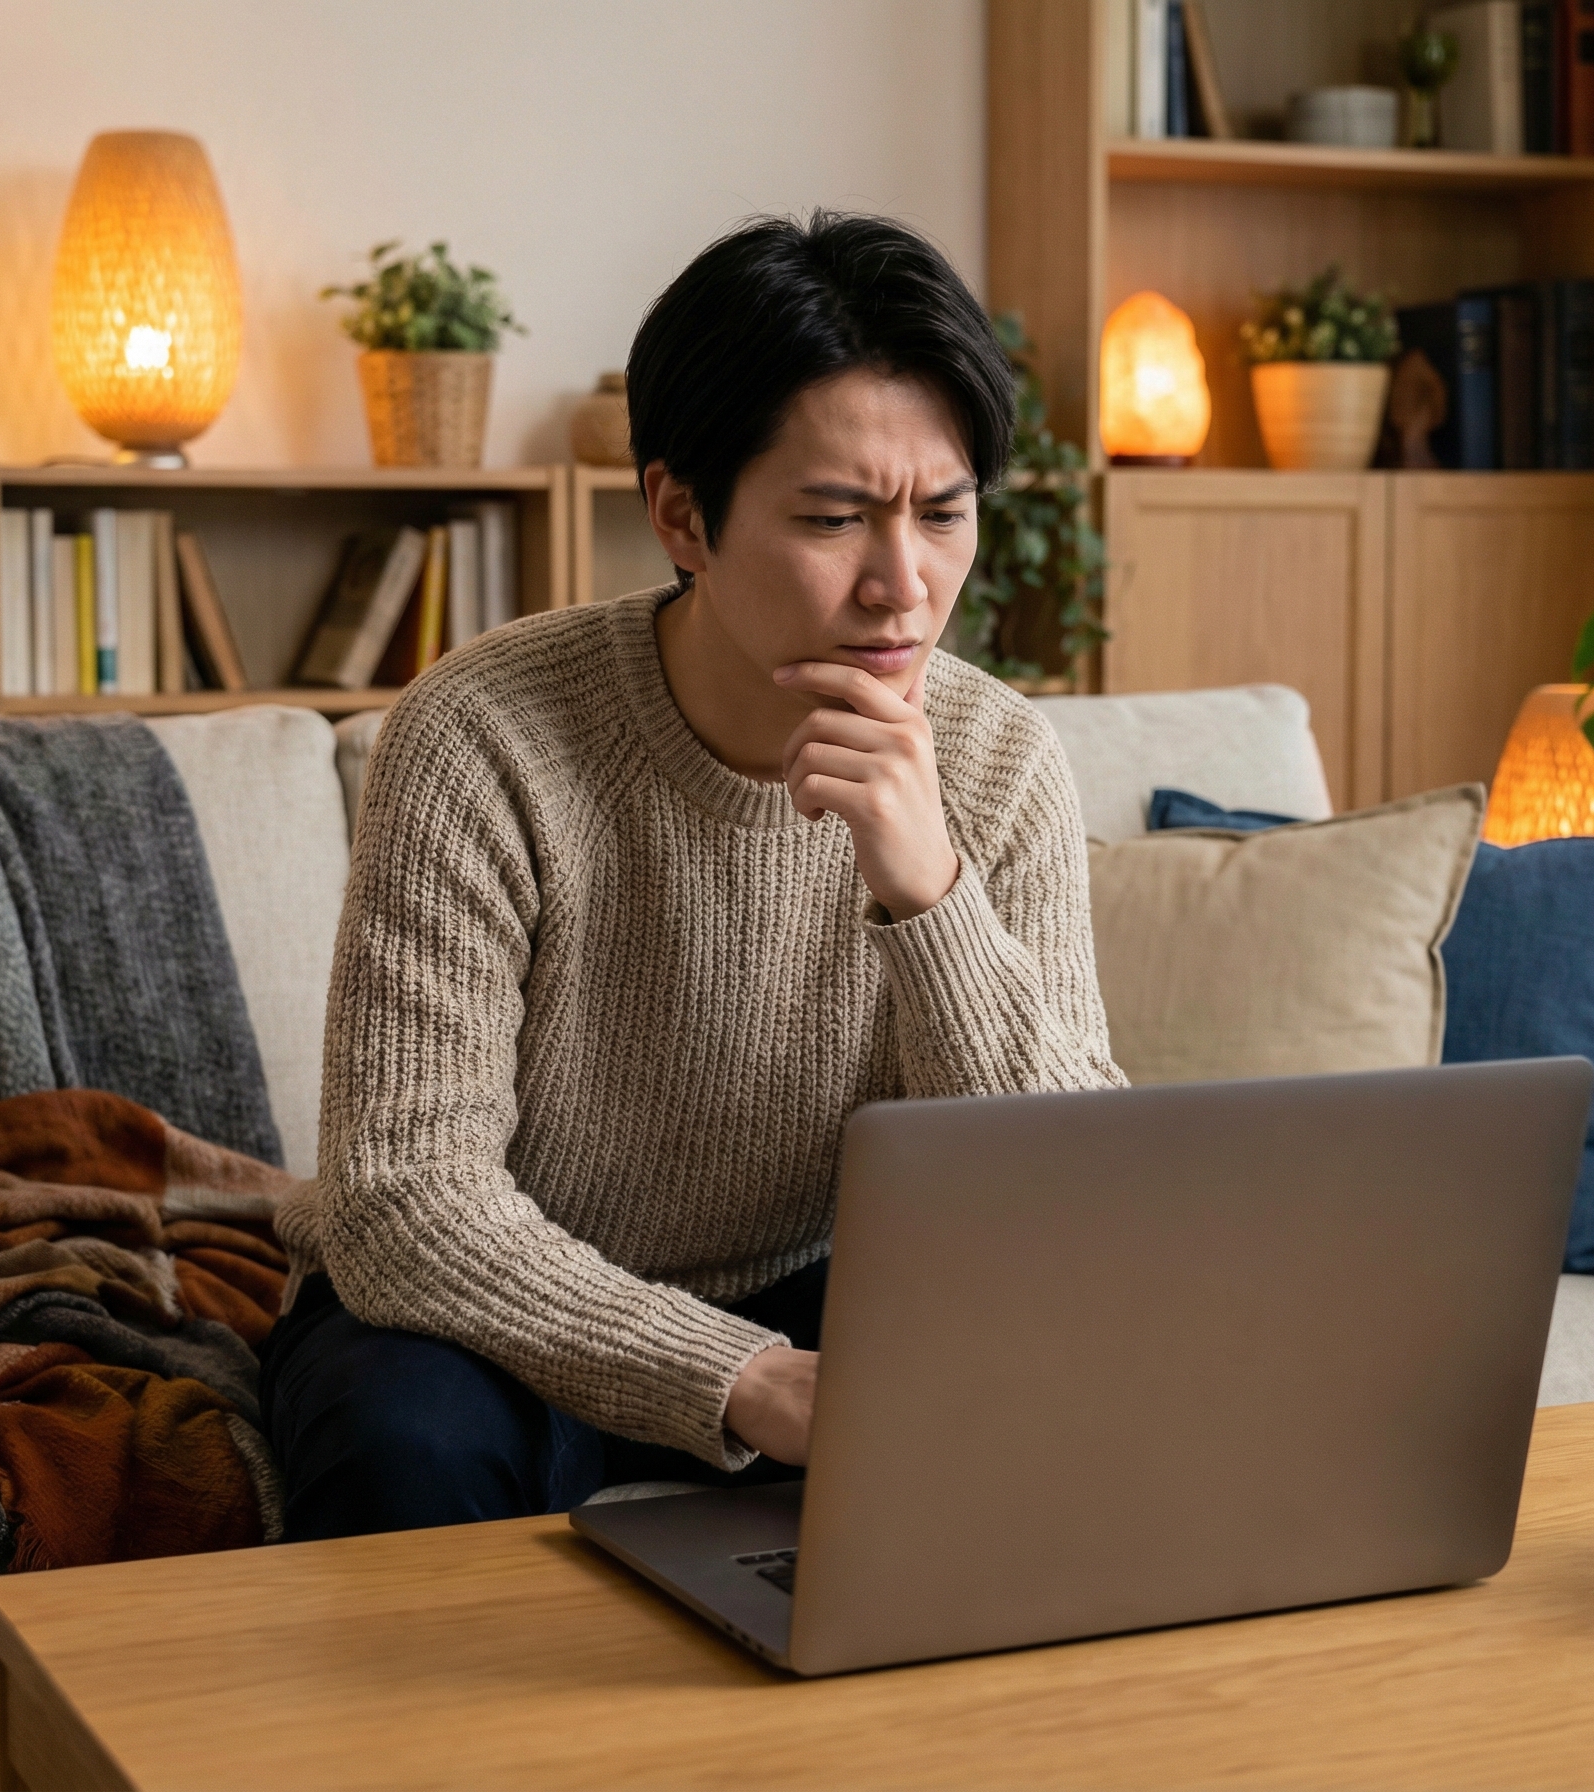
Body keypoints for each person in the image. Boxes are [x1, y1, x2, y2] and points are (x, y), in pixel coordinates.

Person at [263, 211, 1126, 1541]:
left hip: (826, 1283)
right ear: (681, 513)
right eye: (835, 519)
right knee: (397, 1441)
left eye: (943, 515)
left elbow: (1081, 1205)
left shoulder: (999, 758)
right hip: (490, 1302)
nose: (904, 585)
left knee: (1085, 1388)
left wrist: (929, 891)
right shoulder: (483, 734)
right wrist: (735, 1378)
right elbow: (404, 1200)